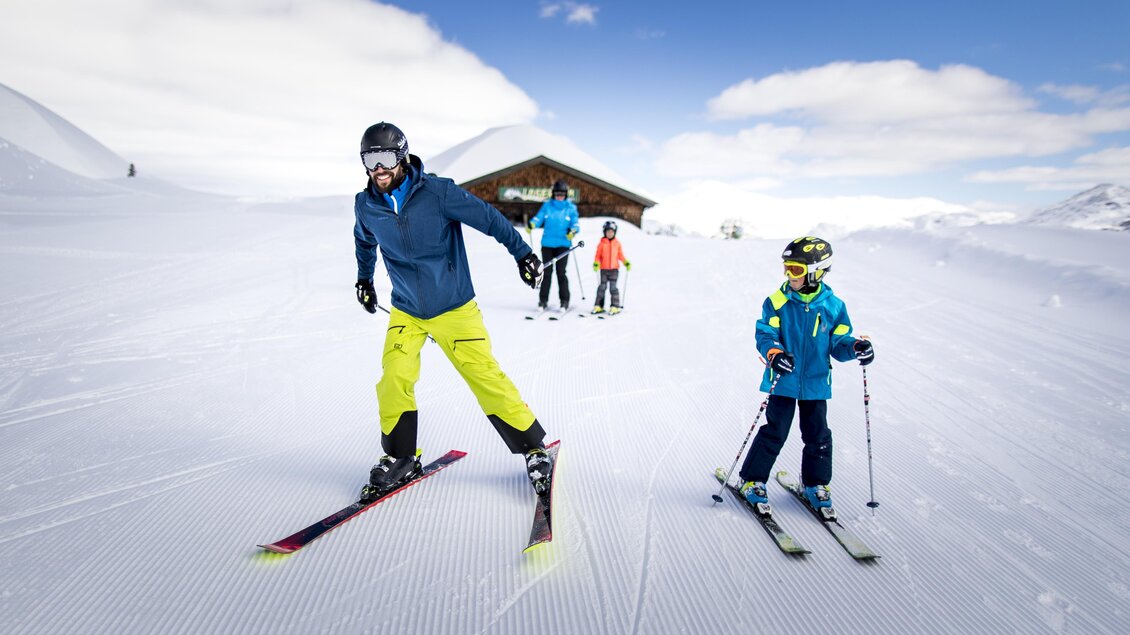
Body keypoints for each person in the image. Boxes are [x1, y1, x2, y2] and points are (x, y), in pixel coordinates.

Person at [352, 122, 554, 500]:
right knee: (394, 375)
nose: (377, 168)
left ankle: (534, 450)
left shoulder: (438, 193)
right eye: (369, 159)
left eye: (384, 157)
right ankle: (399, 457)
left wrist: (523, 253)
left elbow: (490, 219)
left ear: (401, 156)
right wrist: (365, 280)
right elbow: (364, 243)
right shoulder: (366, 205)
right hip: (407, 309)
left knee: (483, 375)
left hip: (454, 307)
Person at [736, 236, 874, 515]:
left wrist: (856, 347)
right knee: (775, 432)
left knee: (818, 435)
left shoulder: (834, 306)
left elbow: (839, 342)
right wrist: (774, 353)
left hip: (815, 383)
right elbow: (765, 334)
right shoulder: (777, 301)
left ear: (816, 272)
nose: (789, 274)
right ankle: (752, 480)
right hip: (783, 380)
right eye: (786, 268)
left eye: (796, 270)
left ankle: (815, 485)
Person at [527, 180, 580, 311]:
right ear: (553, 194)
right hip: (547, 244)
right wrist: (533, 224)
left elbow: (575, 224)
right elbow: (538, 218)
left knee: (561, 273)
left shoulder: (571, 208)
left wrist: (572, 231)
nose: (559, 196)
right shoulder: (547, 206)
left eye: (562, 194)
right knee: (546, 273)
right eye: (557, 194)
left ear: (566, 194)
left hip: (563, 244)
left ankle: (564, 301)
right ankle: (543, 301)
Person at [591, 220, 631, 315]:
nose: (610, 233)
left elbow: (620, 255)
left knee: (613, 288)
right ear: (604, 232)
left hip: (614, 270)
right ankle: (599, 306)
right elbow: (598, 256)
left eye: (612, 232)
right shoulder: (601, 243)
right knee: (602, 287)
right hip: (604, 270)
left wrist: (626, 262)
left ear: (615, 232)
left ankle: (615, 306)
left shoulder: (617, 243)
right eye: (608, 231)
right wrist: (596, 263)